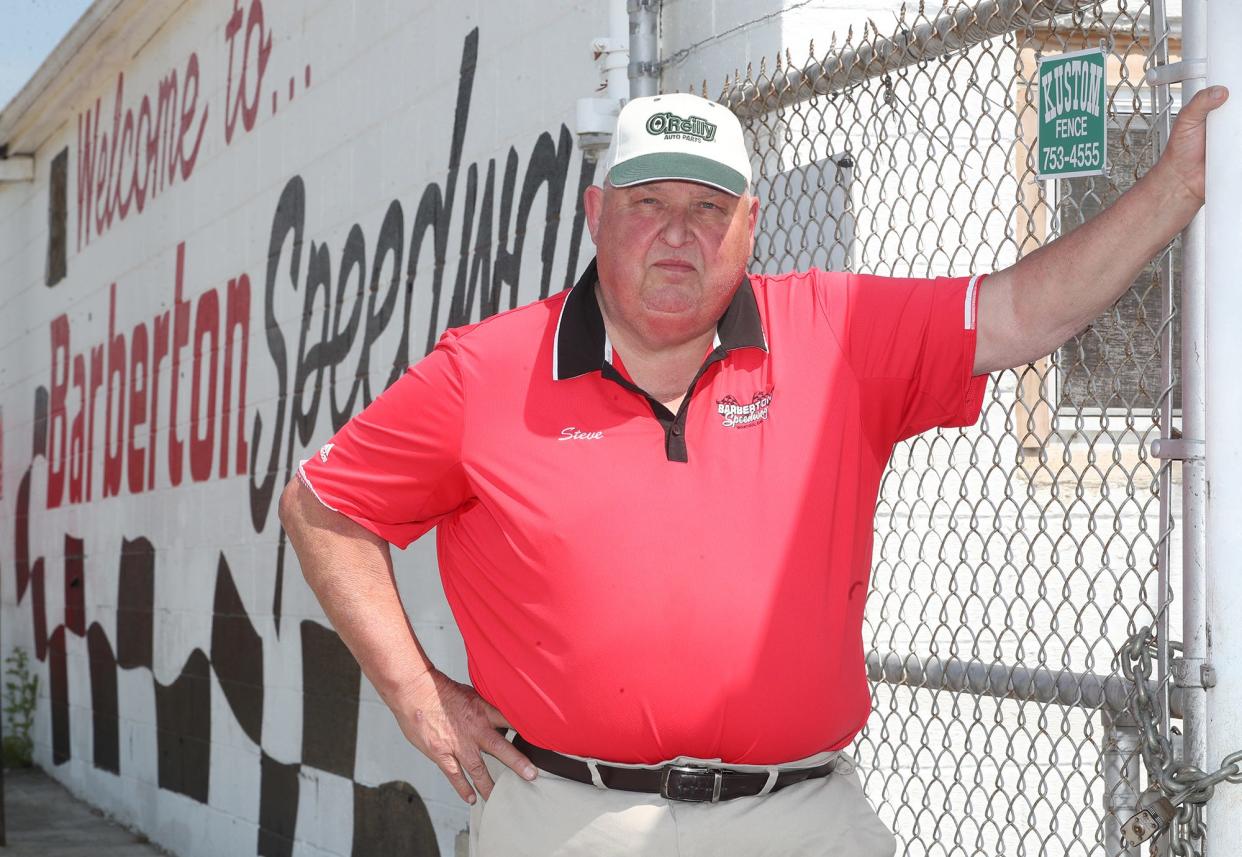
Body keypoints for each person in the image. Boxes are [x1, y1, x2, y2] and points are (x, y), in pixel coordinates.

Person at [279, 87, 1227, 856]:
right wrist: (415, 691)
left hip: (799, 818)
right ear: (597, 212)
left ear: (750, 223)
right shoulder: (485, 370)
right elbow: (324, 505)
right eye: (647, 203)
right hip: (568, 816)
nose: (677, 234)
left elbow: (1026, 313)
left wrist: (1171, 194)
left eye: (707, 207)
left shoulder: (832, 330)